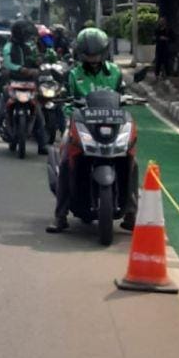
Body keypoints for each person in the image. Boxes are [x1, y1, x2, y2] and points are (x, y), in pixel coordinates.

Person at [46, 27, 136, 233]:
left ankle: (131, 212)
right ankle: (60, 216)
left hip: (112, 124)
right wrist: (68, 109)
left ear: (103, 53)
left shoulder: (114, 72)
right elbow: (66, 100)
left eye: (96, 54)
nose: (93, 59)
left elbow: (122, 96)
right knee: (66, 158)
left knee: (131, 160)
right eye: (88, 55)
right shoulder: (74, 74)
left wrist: (128, 99)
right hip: (81, 124)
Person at [0, 18, 48, 155]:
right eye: (26, 34)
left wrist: (39, 62)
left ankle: (42, 145)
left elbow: (36, 59)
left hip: (29, 84)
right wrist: (20, 69)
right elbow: (7, 63)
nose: (28, 37)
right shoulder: (9, 47)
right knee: (1, 113)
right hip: (12, 83)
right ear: (19, 34)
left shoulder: (30, 46)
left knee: (38, 113)